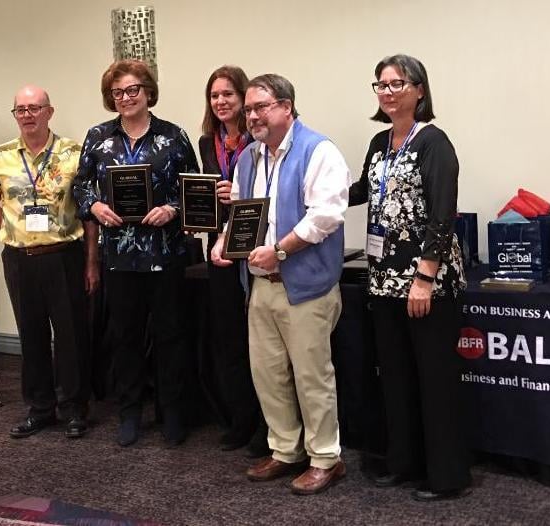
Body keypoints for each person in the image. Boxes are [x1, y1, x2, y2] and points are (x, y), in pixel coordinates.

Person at [211, 74, 350, 495]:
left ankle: (326, 458)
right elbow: (243, 214)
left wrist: (281, 251)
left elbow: (325, 217)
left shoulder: (318, 150)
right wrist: (224, 243)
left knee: (312, 377)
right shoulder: (249, 157)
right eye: (249, 108)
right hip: (260, 285)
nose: (252, 115)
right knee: (268, 374)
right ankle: (285, 449)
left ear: (287, 107)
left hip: (306, 285)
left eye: (261, 107)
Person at [348, 54, 471, 501]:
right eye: (381, 84)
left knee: (434, 381)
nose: (388, 91)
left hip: (426, 285)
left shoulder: (434, 142)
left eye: (398, 83)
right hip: (382, 281)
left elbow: (443, 214)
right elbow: (363, 190)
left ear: (420, 90)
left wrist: (425, 277)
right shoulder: (380, 142)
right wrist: (319, 191)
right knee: (395, 378)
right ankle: (404, 463)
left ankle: (446, 477)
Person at [73, 59, 199, 448]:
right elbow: (80, 187)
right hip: (119, 256)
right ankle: (129, 412)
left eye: (132, 91)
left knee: (170, 335)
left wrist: (173, 209)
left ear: (148, 92)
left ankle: (172, 412)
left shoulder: (173, 137)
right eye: (117, 93)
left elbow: (193, 188)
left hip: (165, 253)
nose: (125, 98)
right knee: (124, 336)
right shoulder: (98, 138)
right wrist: (94, 206)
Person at [0, 85, 98, 439]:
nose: (28, 115)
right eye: (21, 110)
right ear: (15, 115)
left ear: (50, 111)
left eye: (35, 108)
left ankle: (75, 407)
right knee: (30, 335)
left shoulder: (74, 153)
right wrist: (17, 230)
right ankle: (40, 408)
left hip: (64, 256)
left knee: (71, 335)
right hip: (20, 259)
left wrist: (91, 263)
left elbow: (89, 213)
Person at [198, 65, 269, 457]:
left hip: (256, 248)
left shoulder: (258, 141)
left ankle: (264, 425)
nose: (221, 102)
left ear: (243, 99)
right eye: (214, 96)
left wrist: (237, 193)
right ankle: (240, 419)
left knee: (260, 343)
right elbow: (203, 196)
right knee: (229, 340)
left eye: (228, 94)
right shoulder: (207, 143)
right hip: (219, 249)